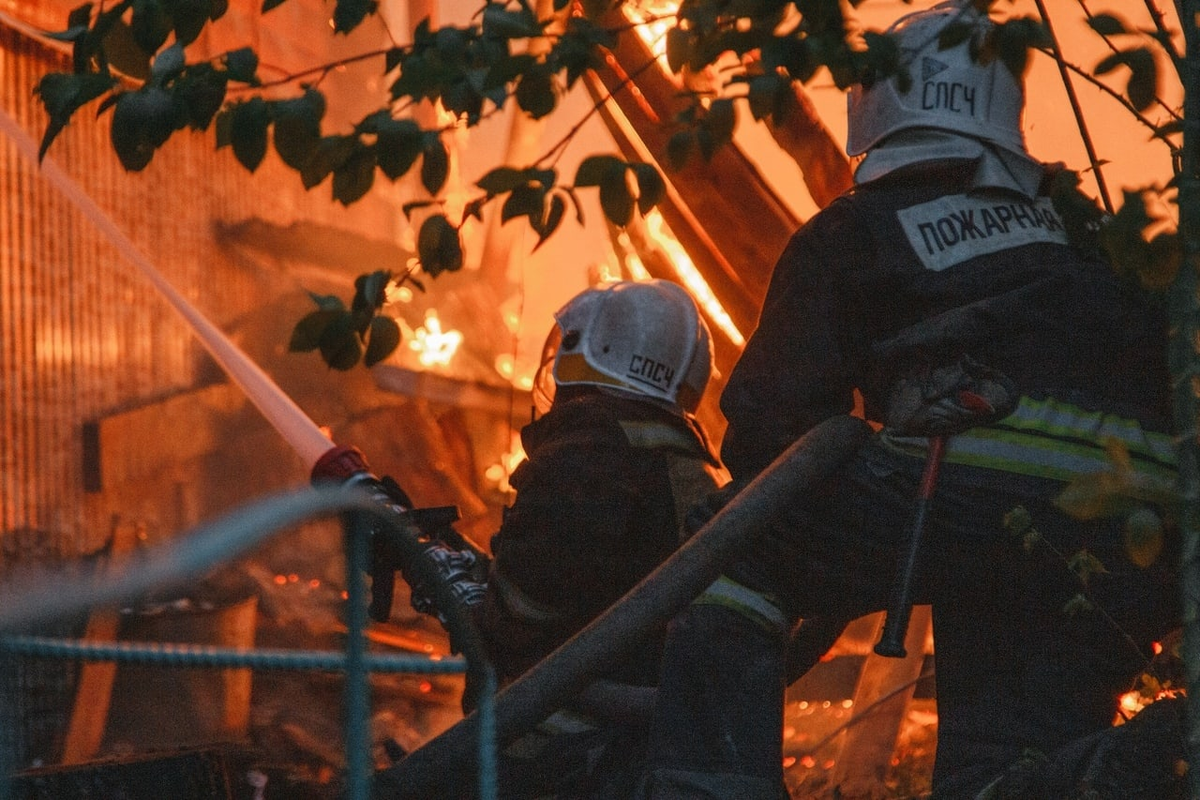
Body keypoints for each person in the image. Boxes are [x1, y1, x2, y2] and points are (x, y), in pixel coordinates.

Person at [638, 3, 1181, 798]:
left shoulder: (853, 231)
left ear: (872, 107)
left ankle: (711, 785)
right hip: (1138, 518)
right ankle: (1129, 765)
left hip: (964, 492)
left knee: (734, 542)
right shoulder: (1086, 223)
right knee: (1003, 771)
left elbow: (768, 441)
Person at [319, 279, 727, 798]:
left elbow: (517, 623)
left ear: (589, 355)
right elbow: (581, 595)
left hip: (557, 762)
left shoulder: (588, 456)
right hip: (642, 755)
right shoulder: (689, 470)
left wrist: (453, 589)